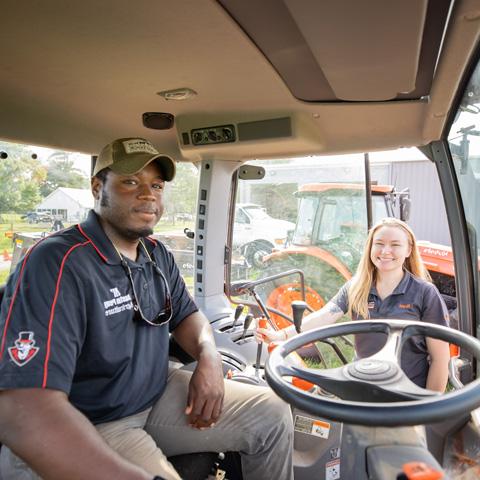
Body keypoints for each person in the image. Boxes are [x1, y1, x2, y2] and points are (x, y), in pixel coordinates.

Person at [0, 137, 294, 480]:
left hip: (157, 392)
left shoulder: (156, 254)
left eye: (156, 185)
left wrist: (209, 356)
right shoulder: (58, 262)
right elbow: (23, 408)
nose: (148, 194)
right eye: (130, 182)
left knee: (272, 413)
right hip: (101, 420)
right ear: (98, 188)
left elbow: (188, 316)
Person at [257, 217, 450, 392]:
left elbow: (440, 358)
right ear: (370, 248)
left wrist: (428, 408)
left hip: (408, 393)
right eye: (379, 244)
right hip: (363, 388)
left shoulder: (425, 293)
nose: (385, 251)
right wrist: (279, 335)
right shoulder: (357, 287)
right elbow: (324, 317)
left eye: (395, 245)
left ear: (408, 250)